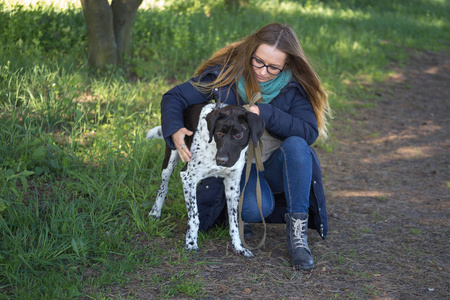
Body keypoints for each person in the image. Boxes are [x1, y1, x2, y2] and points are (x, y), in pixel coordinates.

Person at [159, 23, 331, 271]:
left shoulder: (293, 87)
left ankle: (297, 236)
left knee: (298, 145)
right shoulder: (226, 75)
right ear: (250, 51)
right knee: (253, 208)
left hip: (275, 165)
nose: (262, 71)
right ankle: (237, 213)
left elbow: (309, 131)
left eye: (273, 67)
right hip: (237, 167)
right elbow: (175, 97)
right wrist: (175, 129)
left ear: (288, 65)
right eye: (258, 61)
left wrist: (265, 113)